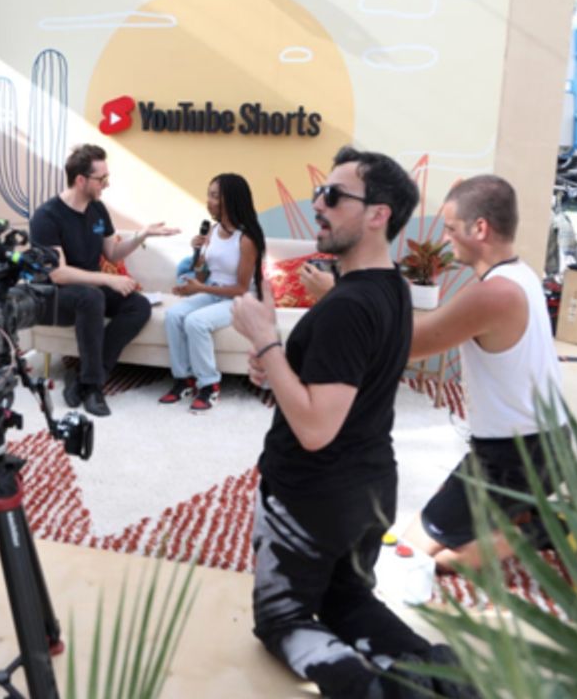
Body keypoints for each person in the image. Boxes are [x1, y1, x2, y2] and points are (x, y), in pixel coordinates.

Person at [232, 147, 465, 698]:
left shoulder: (345, 307)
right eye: (321, 193)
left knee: (283, 622)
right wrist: (278, 363)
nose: (319, 204)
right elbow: (343, 377)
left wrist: (265, 338)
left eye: (334, 196)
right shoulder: (391, 290)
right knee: (347, 601)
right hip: (368, 485)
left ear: (379, 214)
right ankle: (451, 681)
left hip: (312, 494)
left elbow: (315, 428)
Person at [401, 175, 565, 571]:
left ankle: (539, 529)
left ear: (480, 228)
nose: (444, 238)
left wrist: (339, 295)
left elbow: (409, 345)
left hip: (517, 456)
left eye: (450, 228)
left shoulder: (494, 293)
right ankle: (525, 513)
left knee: (413, 555)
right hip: (542, 446)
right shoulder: (521, 275)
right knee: (420, 540)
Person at [29, 143, 179, 417]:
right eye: (102, 179)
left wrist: (141, 235)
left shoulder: (98, 210)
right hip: (55, 296)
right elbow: (58, 273)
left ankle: (87, 380)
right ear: (81, 180)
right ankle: (94, 387)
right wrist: (107, 280)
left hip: (90, 290)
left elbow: (112, 253)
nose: (107, 184)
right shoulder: (47, 216)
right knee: (92, 296)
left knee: (138, 305)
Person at [159, 173, 266, 411]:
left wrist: (200, 288)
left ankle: (209, 386)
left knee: (196, 322)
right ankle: (183, 379)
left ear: (231, 200)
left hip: (240, 299)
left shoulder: (247, 238)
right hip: (214, 293)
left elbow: (240, 287)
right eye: (209, 195)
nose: (209, 201)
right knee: (173, 316)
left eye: (215, 196)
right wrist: (197, 260)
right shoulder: (214, 231)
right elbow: (202, 276)